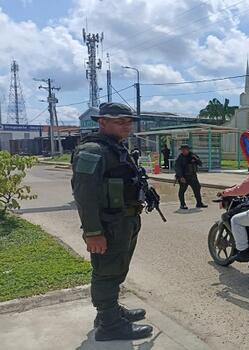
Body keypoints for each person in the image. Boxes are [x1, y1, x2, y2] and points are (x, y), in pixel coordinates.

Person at [71, 102, 152, 341]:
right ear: (102, 122)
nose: (127, 125)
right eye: (120, 121)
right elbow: (84, 193)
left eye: (129, 121)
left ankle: (110, 311)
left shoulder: (115, 147)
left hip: (125, 219)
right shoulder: (93, 150)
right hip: (109, 224)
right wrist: (93, 232)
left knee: (118, 268)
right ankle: (109, 325)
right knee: (106, 271)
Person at [174, 144, 207, 209]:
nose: (183, 151)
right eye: (182, 150)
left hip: (193, 176)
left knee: (197, 189)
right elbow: (177, 168)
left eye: (185, 150)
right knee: (182, 191)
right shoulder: (180, 158)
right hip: (184, 177)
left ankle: (199, 203)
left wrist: (196, 160)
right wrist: (181, 177)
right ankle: (182, 204)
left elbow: (200, 163)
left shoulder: (193, 155)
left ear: (188, 150)